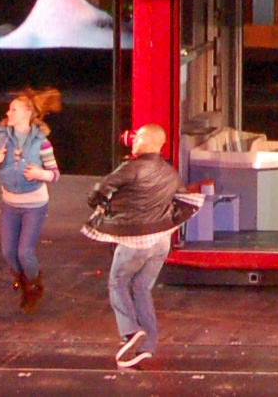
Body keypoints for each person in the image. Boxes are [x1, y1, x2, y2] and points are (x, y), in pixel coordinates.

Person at [85, 124, 194, 371]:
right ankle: (148, 345)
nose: (134, 140)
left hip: (136, 239)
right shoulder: (170, 173)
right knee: (142, 288)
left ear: (154, 142)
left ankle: (130, 331)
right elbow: (182, 200)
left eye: (140, 137)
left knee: (118, 281)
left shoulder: (132, 168)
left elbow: (101, 188)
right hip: (161, 240)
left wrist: (96, 203)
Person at [0, 88, 62, 310]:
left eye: (13, 109)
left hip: (34, 205)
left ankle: (34, 285)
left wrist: (40, 174)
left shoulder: (42, 143)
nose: (8, 113)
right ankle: (24, 280)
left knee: (24, 252)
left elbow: (54, 174)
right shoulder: (1, 140)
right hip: (10, 204)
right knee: (8, 252)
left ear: (27, 114)